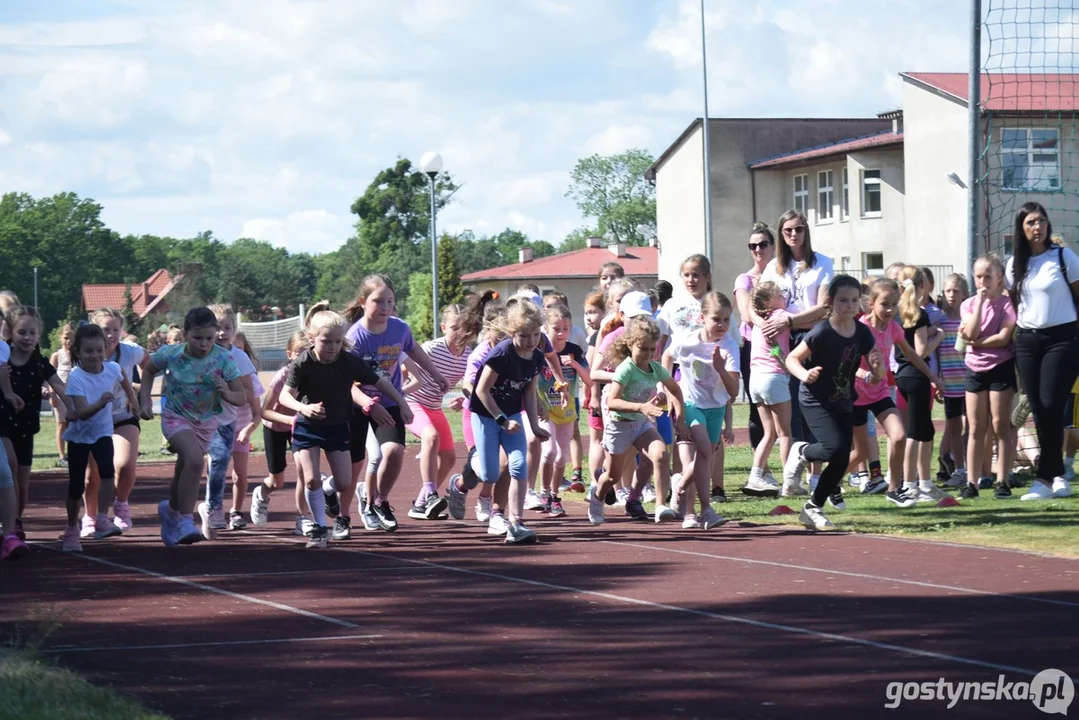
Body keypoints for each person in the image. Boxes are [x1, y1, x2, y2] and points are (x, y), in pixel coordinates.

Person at [277, 303, 409, 548]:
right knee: (310, 479)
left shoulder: (349, 362)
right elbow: (284, 396)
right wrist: (303, 408)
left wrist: (402, 403)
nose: (333, 347)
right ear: (312, 338)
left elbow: (380, 382)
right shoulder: (303, 363)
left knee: (343, 482)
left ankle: (328, 489)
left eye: (338, 342)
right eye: (327, 342)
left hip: (338, 426)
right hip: (308, 427)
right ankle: (318, 527)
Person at [339, 275, 447, 534]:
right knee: (354, 465)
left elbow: (414, 349)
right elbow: (345, 382)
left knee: (394, 452)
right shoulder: (355, 337)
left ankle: (379, 500)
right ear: (364, 302)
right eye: (378, 301)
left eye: (390, 301)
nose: (385, 307)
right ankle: (343, 516)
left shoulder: (399, 328)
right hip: (355, 404)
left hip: (389, 401)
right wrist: (366, 403)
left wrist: (435, 373)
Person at [138, 307, 248, 547]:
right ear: (185, 334)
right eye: (197, 338)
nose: (204, 344)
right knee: (196, 461)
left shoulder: (223, 358)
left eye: (209, 338)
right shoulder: (171, 354)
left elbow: (241, 397)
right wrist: (145, 399)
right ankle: (186, 521)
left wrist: (226, 392)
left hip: (205, 424)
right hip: (175, 417)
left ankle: (172, 514)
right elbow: (148, 369)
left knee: (184, 469)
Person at [784, 275, 882, 531]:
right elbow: (792, 359)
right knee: (836, 449)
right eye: (842, 300)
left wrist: (876, 371)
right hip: (814, 399)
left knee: (840, 458)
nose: (849, 306)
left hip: (843, 400)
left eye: (853, 300)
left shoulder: (861, 332)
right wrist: (805, 374)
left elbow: (874, 365)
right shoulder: (822, 332)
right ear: (830, 302)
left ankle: (812, 508)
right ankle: (803, 451)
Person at [1005, 203, 1079, 501]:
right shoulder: (1014, 265)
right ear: (1022, 229)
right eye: (1031, 223)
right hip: (1027, 340)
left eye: (1042, 221)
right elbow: (1014, 301)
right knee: (1038, 409)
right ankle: (1058, 474)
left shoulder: (1064, 257)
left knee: (1050, 403)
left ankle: (1044, 478)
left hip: (1062, 338)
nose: (1038, 227)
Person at [758, 210, 836, 492]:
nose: (794, 234)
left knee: (815, 405)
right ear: (781, 234)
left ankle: (816, 476)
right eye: (788, 230)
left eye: (799, 229)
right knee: (790, 413)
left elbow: (825, 307)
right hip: (782, 342)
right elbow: (761, 304)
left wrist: (791, 319)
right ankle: (792, 475)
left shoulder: (823, 263)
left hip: (812, 338)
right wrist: (769, 325)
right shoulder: (773, 268)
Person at [847, 278, 938, 507]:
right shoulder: (860, 328)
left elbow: (913, 356)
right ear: (871, 303)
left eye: (894, 304)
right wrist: (865, 375)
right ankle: (829, 483)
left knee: (898, 436)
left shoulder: (894, 328)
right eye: (884, 304)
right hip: (857, 395)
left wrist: (933, 377)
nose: (890, 310)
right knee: (859, 453)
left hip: (879, 393)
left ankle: (894, 489)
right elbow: (848, 364)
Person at [469, 300, 550, 544]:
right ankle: (474, 461)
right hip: (486, 415)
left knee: (518, 466)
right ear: (513, 332)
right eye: (524, 335)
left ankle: (516, 522)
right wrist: (501, 420)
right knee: (490, 473)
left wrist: (534, 425)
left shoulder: (536, 357)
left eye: (535, 334)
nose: (531, 341)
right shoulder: (502, 354)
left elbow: (528, 390)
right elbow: (482, 391)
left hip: (513, 415)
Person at [590, 316, 684, 525]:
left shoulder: (656, 368)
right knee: (613, 476)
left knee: (660, 454)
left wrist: (680, 417)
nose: (648, 355)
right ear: (631, 344)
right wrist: (641, 406)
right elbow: (613, 401)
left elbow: (675, 389)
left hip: (641, 424)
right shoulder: (626, 369)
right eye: (643, 349)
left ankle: (660, 506)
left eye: (653, 350)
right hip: (619, 425)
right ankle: (597, 496)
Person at [59, 323, 139, 552]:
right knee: (76, 486)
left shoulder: (112, 368)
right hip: (79, 437)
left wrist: (134, 404)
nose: (95, 356)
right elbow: (82, 412)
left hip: (103, 432)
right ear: (78, 352)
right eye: (88, 351)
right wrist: (101, 402)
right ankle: (71, 528)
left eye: (99, 350)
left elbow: (124, 378)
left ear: (105, 349)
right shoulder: (76, 377)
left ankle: (102, 517)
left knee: (107, 472)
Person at [662, 293, 735, 530]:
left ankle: (681, 486)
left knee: (705, 456)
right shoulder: (686, 340)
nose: (722, 325)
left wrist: (721, 369)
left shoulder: (729, 345)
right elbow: (666, 356)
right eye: (716, 319)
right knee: (704, 450)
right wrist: (669, 391)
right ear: (703, 318)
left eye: (726, 319)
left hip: (716, 407)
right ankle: (706, 510)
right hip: (690, 403)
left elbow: (733, 391)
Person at [0, 305, 70, 539]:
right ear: (10, 332)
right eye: (22, 332)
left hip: (26, 426)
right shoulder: (3, 358)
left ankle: (15, 522)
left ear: (39, 334)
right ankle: (7, 525)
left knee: (22, 481)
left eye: (32, 332)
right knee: (8, 464)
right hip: (3, 422)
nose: (27, 337)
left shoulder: (39, 362)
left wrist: (75, 408)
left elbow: (60, 387)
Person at [197, 304, 263, 539]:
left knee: (224, 464)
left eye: (228, 327)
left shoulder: (239, 357)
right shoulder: (198, 353)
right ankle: (207, 507)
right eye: (218, 328)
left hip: (230, 421)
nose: (223, 333)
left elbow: (248, 394)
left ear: (235, 330)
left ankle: (214, 509)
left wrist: (228, 390)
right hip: (204, 421)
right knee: (215, 464)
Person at [956, 254, 1018, 500]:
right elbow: (969, 331)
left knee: (1000, 425)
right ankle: (972, 482)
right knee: (975, 428)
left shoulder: (1008, 303)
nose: (983, 281)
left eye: (988, 276)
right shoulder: (969, 304)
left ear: (999, 278)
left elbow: (1002, 337)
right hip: (974, 369)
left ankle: (1003, 481)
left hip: (1001, 367)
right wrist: (980, 304)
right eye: (979, 276)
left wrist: (977, 342)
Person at [84, 308, 150, 534]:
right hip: (93, 420)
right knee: (92, 475)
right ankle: (90, 518)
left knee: (124, 465)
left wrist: (145, 394)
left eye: (115, 329)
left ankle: (121, 504)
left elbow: (149, 364)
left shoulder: (130, 351)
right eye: (105, 329)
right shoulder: (85, 352)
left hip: (124, 417)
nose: (111, 334)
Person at [403, 305, 471, 521]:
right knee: (430, 436)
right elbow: (401, 369)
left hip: (434, 406)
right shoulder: (431, 348)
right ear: (443, 327)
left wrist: (465, 399)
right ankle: (431, 495)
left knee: (449, 458)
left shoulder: (468, 354)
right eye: (453, 328)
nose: (459, 333)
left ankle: (421, 504)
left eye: (463, 328)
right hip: (412, 402)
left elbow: (472, 383)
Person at [893, 267, 945, 503]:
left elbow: (908, 338)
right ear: (922, 286)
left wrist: (928, 331)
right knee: (916, 432)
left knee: (925, 431)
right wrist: (939, 336)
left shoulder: (897, 312)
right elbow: (921, 350)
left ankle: (924, 483)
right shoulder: (919, 313)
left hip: (901, 374)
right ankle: (911, 485)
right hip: (917, 375)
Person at [250, 331, 311, 534]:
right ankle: (262, 493)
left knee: (304, 471)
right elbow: (264, 412)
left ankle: (303, 518)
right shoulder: (282, 376)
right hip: (276, 426)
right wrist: (289, 419)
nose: (305, 357)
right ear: (290, 354)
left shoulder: (315, 373)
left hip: (300, 428)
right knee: (277, 481)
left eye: (308, 352)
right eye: (300, 353)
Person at [537, 304, 589, 517]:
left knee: (561, 459)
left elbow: (589, 380)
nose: (561, 333)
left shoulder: (574, 351)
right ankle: (543, 492)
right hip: (544, 409)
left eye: (566, 329)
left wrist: (575, 365)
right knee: (549, 452)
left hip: (566, 411)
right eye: (556, 328)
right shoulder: (539, 352)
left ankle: (554, 495)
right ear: (546, 328)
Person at [734, 222, 777, 456]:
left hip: (782, 345)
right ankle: (760, 462)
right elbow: (745, 311)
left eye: (762, 244)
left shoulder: (781, 276)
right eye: (753, 246)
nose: (758, 249)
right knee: (756, 406)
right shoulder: (745, 280)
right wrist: (766, 324)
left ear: (773, 247)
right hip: (752, 346)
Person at [745, 281, 791, 496]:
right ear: (769, 301)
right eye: (779, 294)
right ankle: (789, 480)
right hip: (774, 377)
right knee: (785, 433)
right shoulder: (780, 315)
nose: (783, 296)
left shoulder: (758, 323)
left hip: (756, 378)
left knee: (769, 433)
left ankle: (755, 475)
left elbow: (772, 347)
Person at [937, 273, 970, 488]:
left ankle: (970, 466)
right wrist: (937, 379)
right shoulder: (938, 319)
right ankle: (958, 468)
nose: (951, 295)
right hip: (949, 384)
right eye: (947, 291)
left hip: (970, 382)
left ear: (965, 294)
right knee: (954, 428)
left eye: (956, 291)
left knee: (974, 427)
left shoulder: (969, 318)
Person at [0, 335, 27, 560]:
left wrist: (9, 394)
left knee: (4, 473)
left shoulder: (0, 349)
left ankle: (9, 535)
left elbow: (2, 377)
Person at [49, 324, 75, 468]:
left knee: (74, 423)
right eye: (66, 338)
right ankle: (62, 455)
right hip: (60, 394)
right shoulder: (57, 355)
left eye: (71, 338)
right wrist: (52, 395)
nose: (68, 342)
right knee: (61, 424)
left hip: (75, 394)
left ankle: (73, 453)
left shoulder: (78, 354)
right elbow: (50, 376)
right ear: (60, 338)